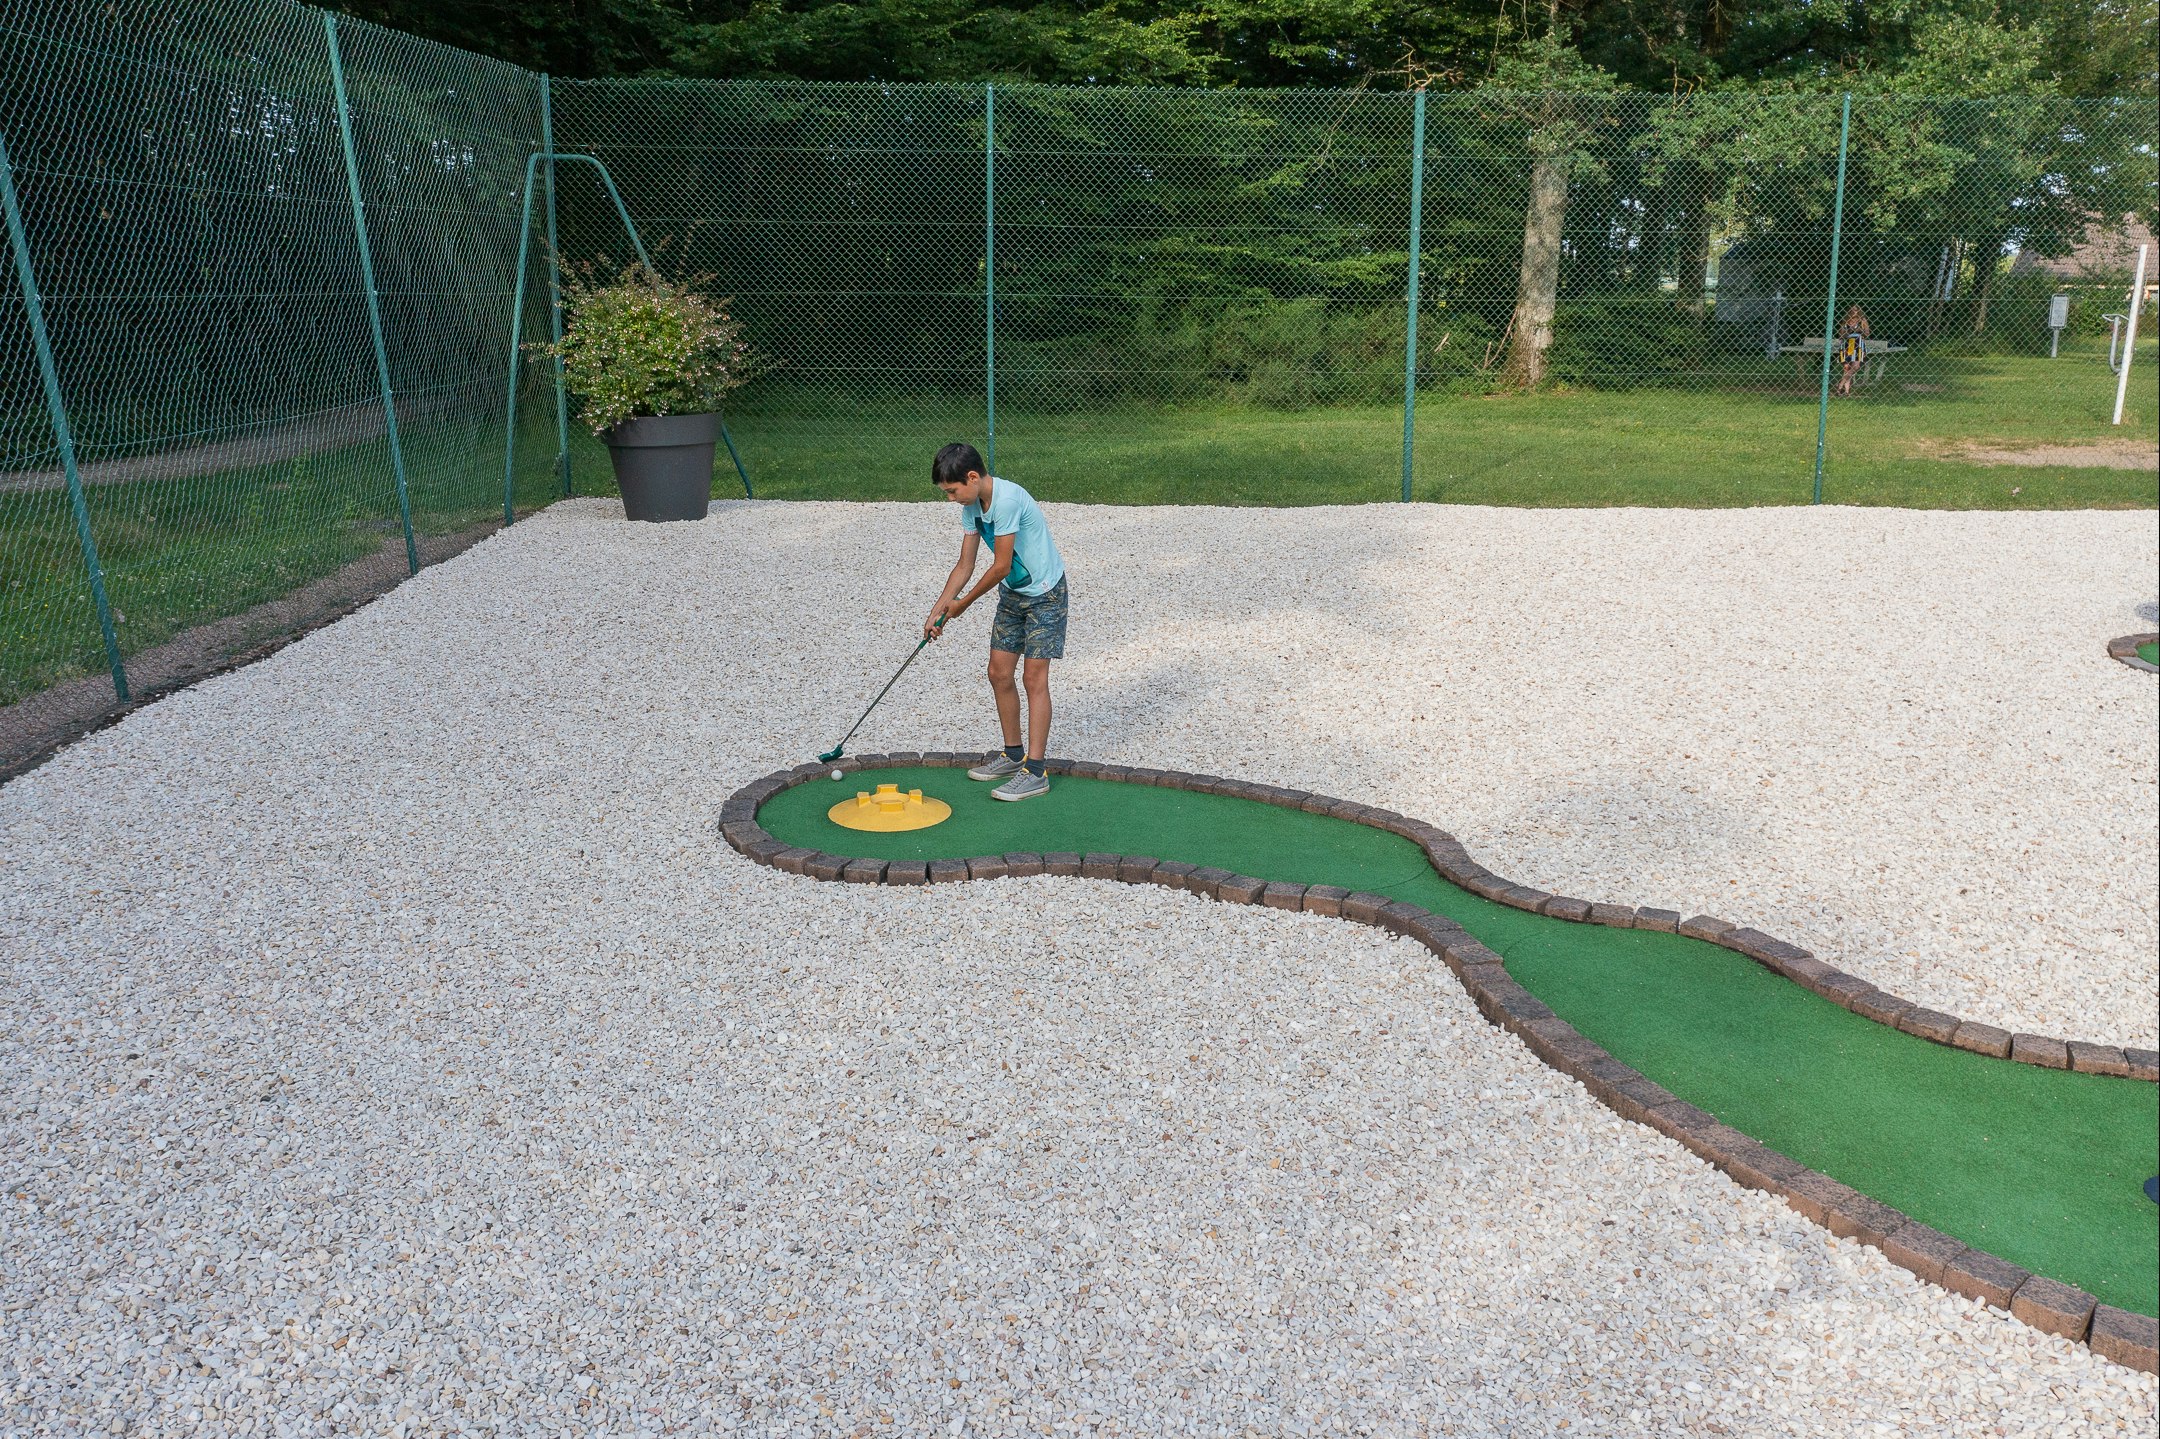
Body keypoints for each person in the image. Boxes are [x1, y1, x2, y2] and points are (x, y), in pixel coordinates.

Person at [923, 442, 1067, 802]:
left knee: (1033, 678)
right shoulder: (971, 506)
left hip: (1045, 594)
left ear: (972, 477)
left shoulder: (1007, 501)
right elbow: (965, 565)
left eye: (952, 491)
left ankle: (1036, 772)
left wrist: (962, 605)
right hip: (1014, 594)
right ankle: (1013, 754)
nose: (950, 498)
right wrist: (938, 609)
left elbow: (1001, 566)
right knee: (998, 673)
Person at [1834, 304, 1871, 397]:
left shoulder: (1862, 320)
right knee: (1847, 368)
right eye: (1852, 309)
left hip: (1858, 343)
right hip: (1848, 344)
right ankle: (1846, 391)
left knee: (1856, 366)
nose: (1854, 311)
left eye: (1856, 309)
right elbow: (1841, 335)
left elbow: (1867, 333)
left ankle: (1840, 384)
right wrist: (1847, 332)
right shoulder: (1845, 320)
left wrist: (1860, 330)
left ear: (1859, 311)